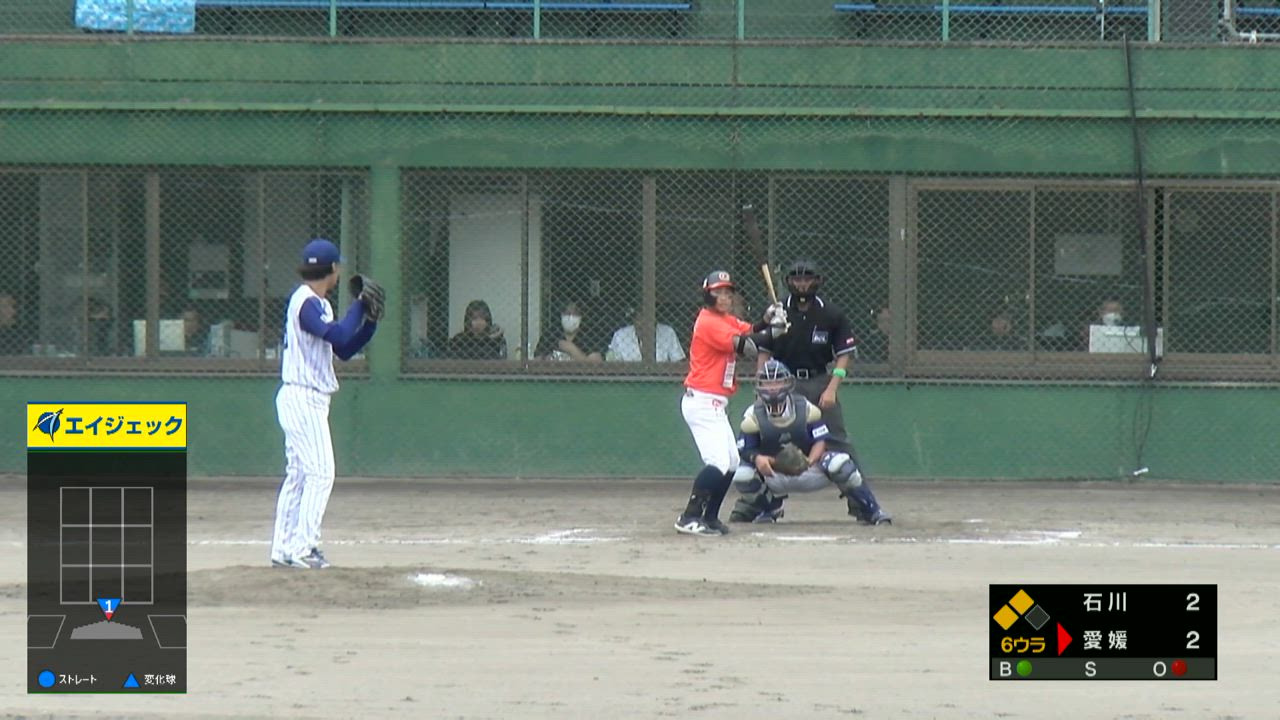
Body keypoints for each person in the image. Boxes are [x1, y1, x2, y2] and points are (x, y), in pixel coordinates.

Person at [270, 238, 381, 570]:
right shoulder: (305, 302)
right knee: (321, 474)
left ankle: (283, 548)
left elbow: (344, 348)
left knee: (300, 476)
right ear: (332, 269)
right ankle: (303, 548)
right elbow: (338, 336)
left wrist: (370, 323)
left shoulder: (320, 304)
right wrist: (360, 306)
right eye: (337, 267)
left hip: (306, 398)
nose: (339, 272)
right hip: (302, 397)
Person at [756, 259, 891, 525]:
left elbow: (843, 355)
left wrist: (832, 387)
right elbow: (763, 350)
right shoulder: (776, 311)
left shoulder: (831, 314)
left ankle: (864, 505)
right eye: (797, 279)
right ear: (789, 282)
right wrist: (761, 383)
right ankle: (761, 506)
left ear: (817, 282)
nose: (802, 284)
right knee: (768, 440)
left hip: (819, 381)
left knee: (840, 443)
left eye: (807, 279)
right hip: (782, 383)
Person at [674, 270, 787, 536]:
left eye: (727, 292)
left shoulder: (723, 319)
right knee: (718, 463)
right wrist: (775, 331)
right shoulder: (708, 322)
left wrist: (768, 319)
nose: (724, 297)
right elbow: (746, 346)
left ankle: (710, 517)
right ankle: (689, 516)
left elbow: (749, 330)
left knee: (733, 463)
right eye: (718, 292)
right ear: (707, 295)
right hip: (702, 401)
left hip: (714, 402)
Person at [729, 360, 866, 523]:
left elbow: (821, 440)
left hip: (809, 469)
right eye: (767, 382)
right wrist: (760, 459)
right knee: (742, 475)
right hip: (773, 472)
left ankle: (870, 509)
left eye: (777, 381)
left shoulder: (805, 407)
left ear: (788, 383)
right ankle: (770, 507)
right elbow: (746, 449)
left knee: (841, 464)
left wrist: (808, 461)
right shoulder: (753, 413)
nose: (772, 387)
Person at [607, 305, 685, 362]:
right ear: (634, 320)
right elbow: (612, 362)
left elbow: (678, 360)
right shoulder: (620, 335)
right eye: (639, 318)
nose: (643, 322)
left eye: (648, 318)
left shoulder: (668, 332)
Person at [536, 300, 604, 362]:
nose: (570, 318)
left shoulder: (589, 336)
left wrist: (572, 350)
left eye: (575, 314)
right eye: (567, 313)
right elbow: (536, 360)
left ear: (581, 317)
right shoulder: (550, 334)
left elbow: (596, 364)